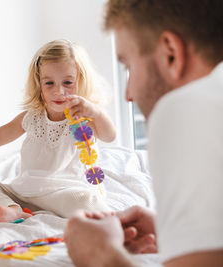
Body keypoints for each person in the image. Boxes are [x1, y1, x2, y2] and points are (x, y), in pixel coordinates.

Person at [64, 0, 223, 266]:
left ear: (171, 53)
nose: (128, 94)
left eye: (128, 67)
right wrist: (177, 230)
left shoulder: (185, 108)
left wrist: (100, 255)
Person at [0, 39, 116, 222]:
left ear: (81, 81)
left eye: (68, 82)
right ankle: (12, 210)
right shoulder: (31, 118)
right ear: (39, 84)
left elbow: (109, 136)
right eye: (49, 83)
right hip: (24, 193)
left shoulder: (86, 117)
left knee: (87, 200)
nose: (59, 90)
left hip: (63, 194)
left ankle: (113, 221)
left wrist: (96, 112)